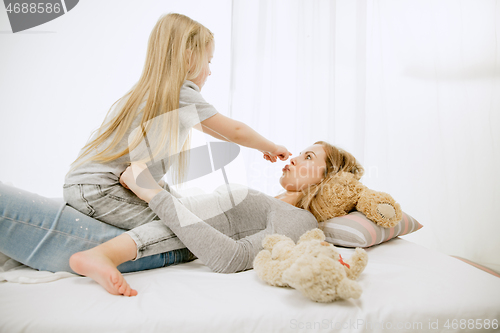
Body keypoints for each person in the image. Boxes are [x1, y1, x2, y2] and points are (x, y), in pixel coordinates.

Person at [0, 142, 364, 297]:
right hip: (144, 219)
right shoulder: (273, 203)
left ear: (328, 179)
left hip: (142, 239)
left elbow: (231, 258)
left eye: (308, 157)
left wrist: (151, 193)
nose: (295, 158)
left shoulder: (300, 223)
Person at [63, 12, 292, 240]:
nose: (210, 71)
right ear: (189, 57)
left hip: (86, 185)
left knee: (184, 211)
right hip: (101, 190)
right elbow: (235, 131)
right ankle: (102, 256)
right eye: (208, 61)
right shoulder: (179, 93)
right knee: (188, 230)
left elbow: (214, 130)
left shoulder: (151, 91)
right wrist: (270, 146)